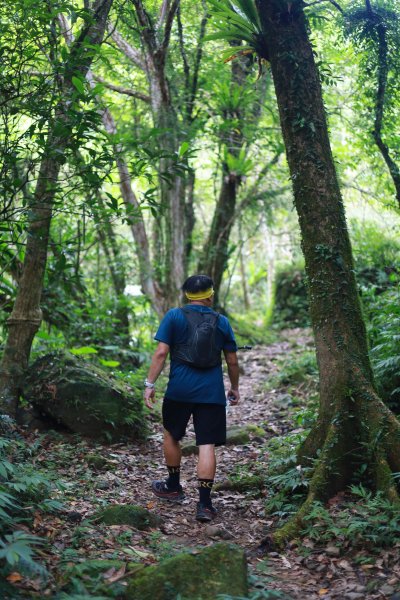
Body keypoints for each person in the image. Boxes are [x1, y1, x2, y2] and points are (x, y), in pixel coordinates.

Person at [144, 274, 240, 522]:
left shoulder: (174, 316)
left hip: (179, 390)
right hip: (211, 393)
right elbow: (231, 360)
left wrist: (149, 384)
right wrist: (235, 387)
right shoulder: (222, 321)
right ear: (210, 295)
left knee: (171, 434)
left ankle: (173, 486)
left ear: (187, 295)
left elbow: (161, 352)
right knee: (206, 444)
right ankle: (205, 505)